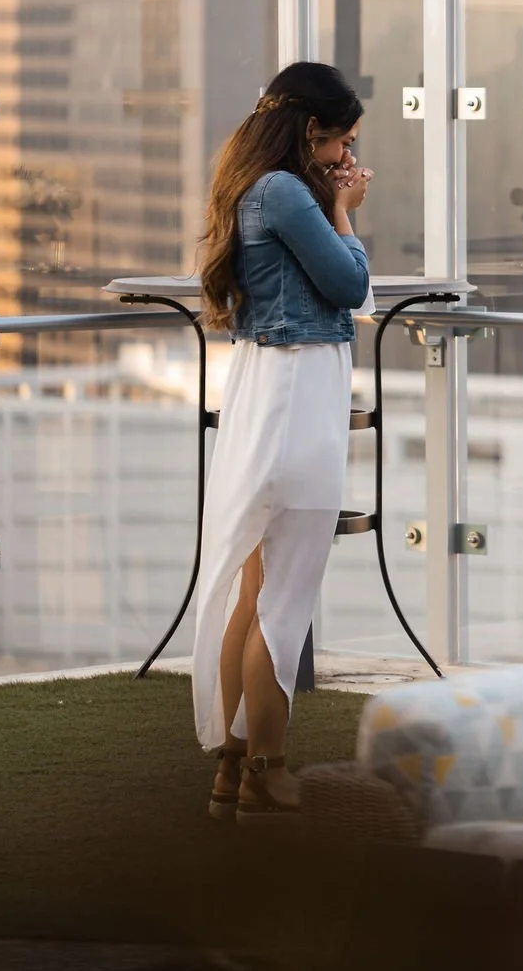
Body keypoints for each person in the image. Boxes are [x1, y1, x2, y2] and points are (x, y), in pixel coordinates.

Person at [191, 61, 374, 821]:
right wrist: (345, 209)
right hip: (300, 395)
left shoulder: (253, 185)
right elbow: (350, 284)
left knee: (258, 590)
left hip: (268, 389)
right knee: (285, 594)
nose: (347, 158)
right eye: (343, 143)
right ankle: (269, 766)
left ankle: (231, 770)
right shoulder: (292, 193)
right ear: (311, 131)